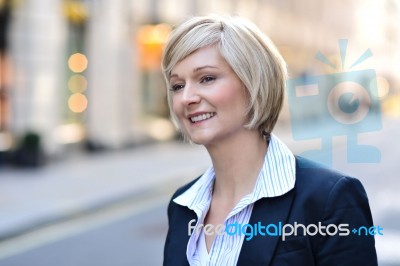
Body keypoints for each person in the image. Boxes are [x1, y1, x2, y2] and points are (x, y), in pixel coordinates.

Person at [162, 15, 377, 266]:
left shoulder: (329, 198)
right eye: (177, 86)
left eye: (207, 78)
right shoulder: (182, 204)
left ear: (253, 83)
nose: (186, 97)